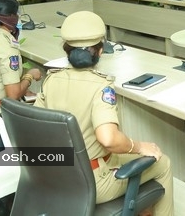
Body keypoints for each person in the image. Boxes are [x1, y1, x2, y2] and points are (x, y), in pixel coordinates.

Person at [34, 11, 174, 214]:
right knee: (164, 162)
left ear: (66, 50)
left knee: (118, 158)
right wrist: (139, 146)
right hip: (90, 182)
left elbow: (37, 123)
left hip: (54, 174)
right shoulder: (101, 86)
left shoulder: (51, 79)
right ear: (100, 51)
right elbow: (108, 139)